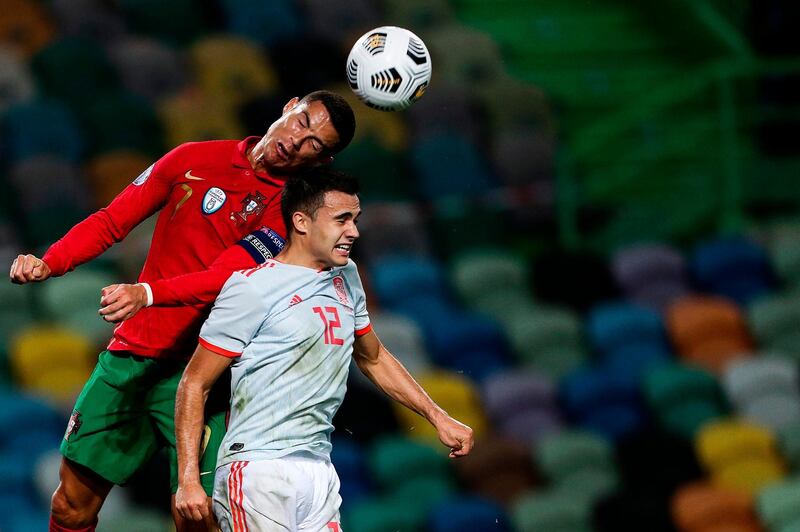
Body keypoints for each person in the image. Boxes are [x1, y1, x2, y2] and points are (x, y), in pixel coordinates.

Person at [9, 90, 355, 532]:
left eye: (316, 145)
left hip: (205, 377)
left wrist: (147, 294)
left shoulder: (289, 214)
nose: (299, 139)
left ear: (321, 161)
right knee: (70, 507)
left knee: (199, 518)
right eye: (303, 122)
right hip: (132, 358)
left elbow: (223, 278)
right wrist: (51, 261)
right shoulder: (194, 158)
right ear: (290, 106)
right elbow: (112, 220)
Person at [174, 169, 475, 530]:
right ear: (301, 221)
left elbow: (373, 357)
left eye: (356, 219)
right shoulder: (250, 289)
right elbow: (194, 383)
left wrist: (438, 416)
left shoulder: (346, 275)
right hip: (258, 471)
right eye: (342, 220)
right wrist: (188, 480)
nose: (354, 231)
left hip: (318, 467)